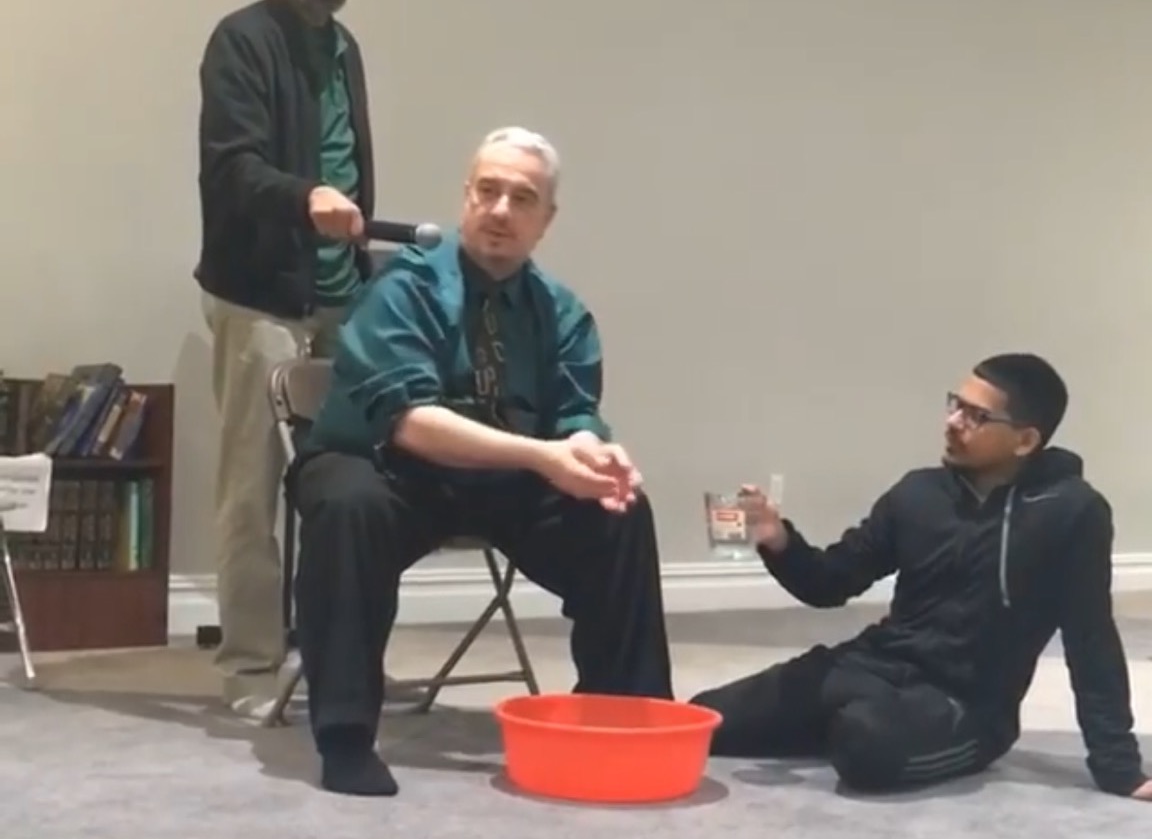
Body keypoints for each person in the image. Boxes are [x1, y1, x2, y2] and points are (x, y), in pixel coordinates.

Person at [288, 125, 674, 797]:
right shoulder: (403, 286)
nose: (501, 210)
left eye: (522, 198)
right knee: (347, 504)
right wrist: (545, 455)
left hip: (505, 476)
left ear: (544, 220)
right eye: (488, 191)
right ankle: (346, 736)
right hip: (385, 465)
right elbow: (411, 423)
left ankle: (625, 716)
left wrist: (593, 451)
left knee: (619, 510)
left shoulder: (563, 312)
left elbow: (574, 415)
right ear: (466, 198)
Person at [691, 353, 1151, 799]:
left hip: (966, 704)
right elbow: (830, 582)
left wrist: (1119, 769)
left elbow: (1090, 638)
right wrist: (779, 540)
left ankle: (860, 726)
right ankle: (846, 719)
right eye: (955, 404)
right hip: (874, 667)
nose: (953, 422)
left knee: (865, 747)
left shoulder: (1072, 512)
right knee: (702, 720)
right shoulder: (918, 492)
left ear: (1025, 440)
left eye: (976, 416)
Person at [195, 0, 378, 718]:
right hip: (261, 299)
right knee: (251, 490)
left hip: (341, 299)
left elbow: (352, 164)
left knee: (344, 483)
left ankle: (332, 658)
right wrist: (307, 197)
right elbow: (233, 167)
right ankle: (250, 673)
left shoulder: (346, 50)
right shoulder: (241, 41)